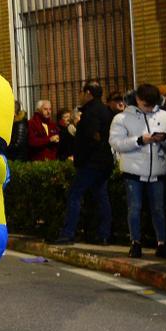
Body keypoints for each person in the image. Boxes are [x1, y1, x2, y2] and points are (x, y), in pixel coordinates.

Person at [108, 84, 166, 259]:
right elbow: (116, 142)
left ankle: (162, 244)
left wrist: (165, 138)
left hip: (157, 170)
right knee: (134, 208)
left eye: (152, 105)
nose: (149, 109)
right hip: (133, 171)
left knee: (158, 209)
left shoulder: (164, 116)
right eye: (146, 105)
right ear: (138, 99)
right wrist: (139, 140)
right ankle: (135, 243)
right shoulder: (122, 118)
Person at [50, 82, 114, 246]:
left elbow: (92, 137)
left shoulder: (91, 112)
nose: (79, 95)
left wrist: (81, 158)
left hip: (91, 163)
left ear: (88, 93)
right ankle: (104, 234)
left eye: (81, 92)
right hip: (103, 161)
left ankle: (68, 233)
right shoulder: (105, 110)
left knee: (75, 195)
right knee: (101, 196)